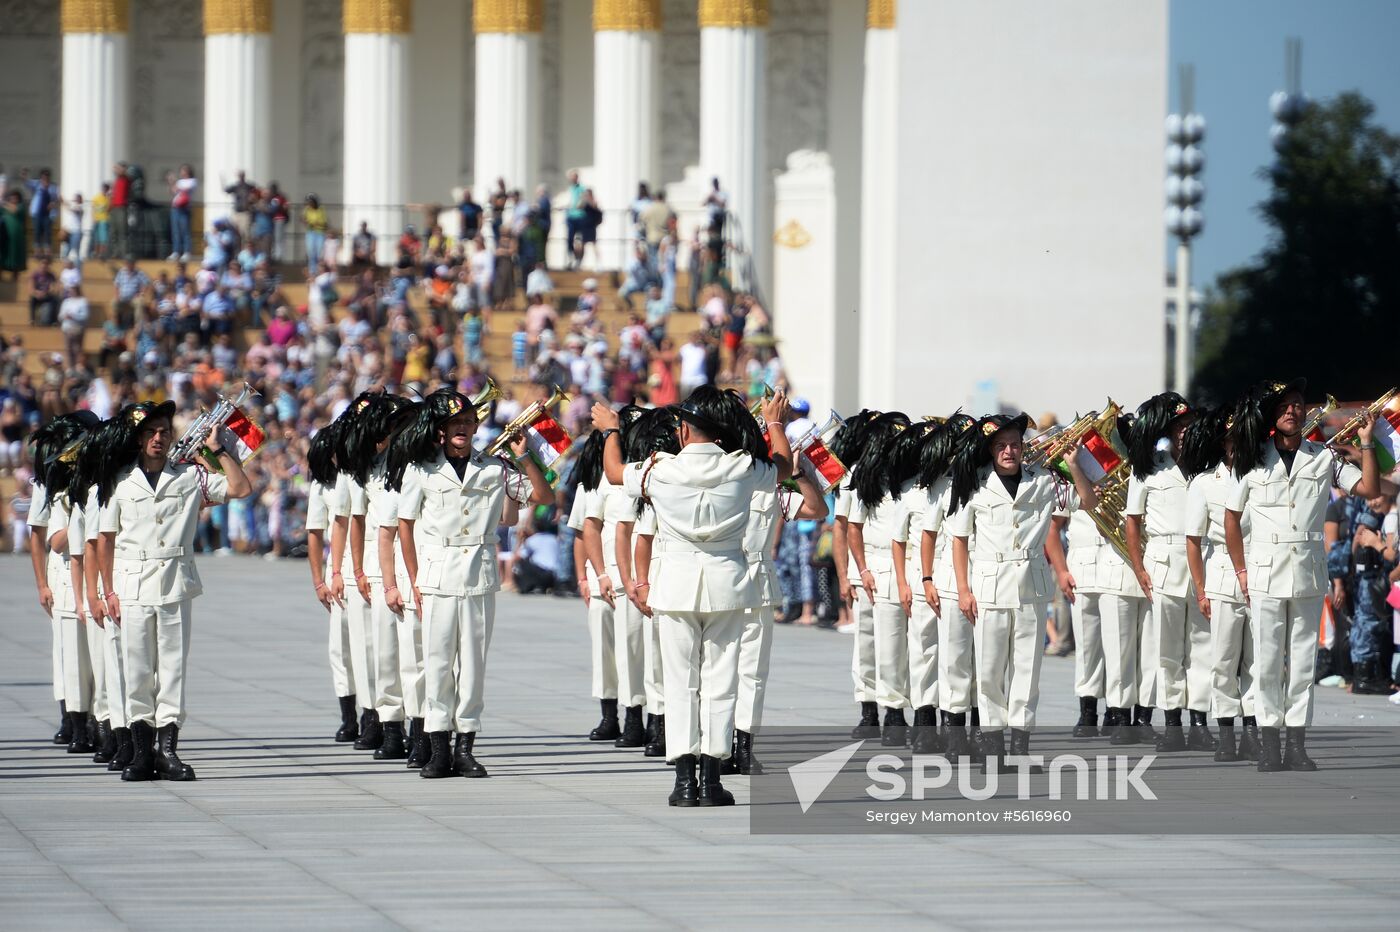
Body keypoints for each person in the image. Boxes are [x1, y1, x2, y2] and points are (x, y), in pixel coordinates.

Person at [595, 385, 788, 808]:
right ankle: (713, 779)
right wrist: (774, 422)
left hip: (676, 585)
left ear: (683, 431)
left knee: (680, 683)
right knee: (721, 682)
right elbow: (784, 465)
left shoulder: (661, 469)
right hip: (728, 584)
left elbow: (612, 473)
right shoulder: (741, 467)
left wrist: (611, 431)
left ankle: (684, 780)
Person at [383, 389, 550, 779]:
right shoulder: (420, 470)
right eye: (455, 423)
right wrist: (414, 579)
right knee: (438, 662)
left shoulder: (494, 467)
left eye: (468, 422)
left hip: (478, 571)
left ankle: (465, 747)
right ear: (441, 430)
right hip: (437, 575)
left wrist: (525, 455)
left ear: (476, 427)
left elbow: (543, 495)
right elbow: (404, 528)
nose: (463, 428)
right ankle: (438, 747)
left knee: (473, 665)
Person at [1225, 378, 1387, 772]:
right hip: (1264, 570)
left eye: (1297, 404)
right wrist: (1241, 570)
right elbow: (1231, 518)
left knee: (1302, 660)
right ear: (1272, 415)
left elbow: (1368, 487)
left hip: (1308, 570)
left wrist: (1366, 441)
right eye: (1284, 406)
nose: (1292, 411)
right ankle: (1267, 742)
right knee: (1265, 662)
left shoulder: (1323, 457)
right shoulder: (1252, 458)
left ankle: (1296, 742)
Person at [92, 400, 253, 781]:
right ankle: (140, 753)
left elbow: (240, 487)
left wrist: (217, 449)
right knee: (136, 670)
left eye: (164, 431)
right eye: (150, 432)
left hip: (175, 582)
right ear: (138, 438)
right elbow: (105, 540)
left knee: (173, 670)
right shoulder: (118, 480)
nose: (158, 438)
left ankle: (167, 752)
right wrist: (106, 591)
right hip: (131, 584)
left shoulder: (189, 475)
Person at [947, 413, 1097, 772]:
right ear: (990, 450)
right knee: (989, 671)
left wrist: (1074, 465)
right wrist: (963, 589)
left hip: (1031, 584)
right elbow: (959, 538)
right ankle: (993, 747)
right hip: (989, 586)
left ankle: (1020, 747)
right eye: (1001, 446)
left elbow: (1087, 502)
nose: (1009, 451)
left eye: (1014, 444)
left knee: (1027, 670)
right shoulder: (974, 484)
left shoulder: (1043, 480)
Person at [733, 405, 826, 773]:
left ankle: (743, 746)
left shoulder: (770, 486)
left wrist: (800, 471)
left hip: (756, 584)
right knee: (714, 670)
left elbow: (815, 509)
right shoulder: (721, 480)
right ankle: (713, 745)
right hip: (720, 580)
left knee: (753, 671)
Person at [1124, 392, 1215, 752]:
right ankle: (1173, 723)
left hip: (1202, 558)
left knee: (1202, 647)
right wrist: (1138, 566)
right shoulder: (1149, 466)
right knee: (1166, 650)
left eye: (1189, 426)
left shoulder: (1208, 467)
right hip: (1162, 558)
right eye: (1178, 426)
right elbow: (1133, 522)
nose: (1183, 433)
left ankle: (1199, 722)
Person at [340, 392, 423, 763]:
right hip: (379, 564)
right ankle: (389, 724)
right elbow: (358, 522)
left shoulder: (417, 465)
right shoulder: (372, 469)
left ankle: (421, 725)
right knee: (383, 652)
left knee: (417, 652)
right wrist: (358, 569)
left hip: (417, 562)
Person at [1182, 405, 1259, 762]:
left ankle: (1254, 731)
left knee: (1258, 660)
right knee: (1224, 658)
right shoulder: (1203, 482)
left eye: (1239, 442)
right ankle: (1226, 730)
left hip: (1259, 569)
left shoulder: (1260, 474)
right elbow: (1193, 540)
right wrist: (1200, 590)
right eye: (1229, 442)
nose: (1234, 449)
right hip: (1222, 574)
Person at [27, 412, 102, 751]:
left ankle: (97, 722)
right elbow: (41, 535)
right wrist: (41, 583)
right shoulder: (50, 479)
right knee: (68, 654)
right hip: (63, 572)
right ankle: (73, 719)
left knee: (97, 657)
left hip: (96, 572)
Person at [917, 414, 985, 760]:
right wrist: (927, 578)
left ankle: (980, 730)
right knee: (955, 659)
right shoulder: (944, 486)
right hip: (949, 580)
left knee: (985, 661)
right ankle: (955, 734)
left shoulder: (990, 482)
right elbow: (928, 536)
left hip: (988, 578)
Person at [845, 413, 914, 746]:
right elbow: (851, 527)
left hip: (900, 565)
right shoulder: (865, 476)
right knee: (866, 643)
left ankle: (895, 712)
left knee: (895, 646)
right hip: (871, 565)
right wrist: (860, 570)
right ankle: (868, 707)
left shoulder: (911, 478)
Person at [304, 419, 360, 742]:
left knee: (375, 646)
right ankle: (348, 716)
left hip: (367, 563)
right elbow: (315, 533)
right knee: (341, 647)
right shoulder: (322, 485)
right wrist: (318, 580)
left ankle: (377, 716)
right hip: (338, 569)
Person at [513, 523, 560, 594]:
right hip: (555, 575)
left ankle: (528, 586)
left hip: (541, 574)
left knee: (523, 562)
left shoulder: (532, 540)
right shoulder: (554, 538)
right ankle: (544, 587)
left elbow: (517, 557)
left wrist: (519, 540)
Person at [168, 165, 197, 261]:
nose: (182, 172)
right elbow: (174, 191)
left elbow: (185, 189)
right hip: (175, 208)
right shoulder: (179, 182)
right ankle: (176, 252)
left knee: (185, 231)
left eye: (183, 170)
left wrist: (175, 182)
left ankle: (187, 252)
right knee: (175, 231)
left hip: (184, 208)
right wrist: (172, 183)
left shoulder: (192, 181)